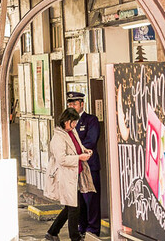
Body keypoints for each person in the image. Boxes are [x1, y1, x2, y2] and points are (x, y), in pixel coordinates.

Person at [44, 108, 96, 241]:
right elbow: (61, 159)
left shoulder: (72, 132)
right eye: (73, 123)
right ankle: (75, 237)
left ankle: (52, 232)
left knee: (70, 207)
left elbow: (77, 146)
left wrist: (85, 150)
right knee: (74, 208)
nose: (75, 125)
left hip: (75, 174)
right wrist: (79, 158)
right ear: (66, 121)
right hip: (65, 176)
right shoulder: (58, 137)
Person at [67, 91, 101, 238]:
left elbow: (91, 141)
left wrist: (75, 152)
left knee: (91, 200)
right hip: (75, 166)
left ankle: (93, 229)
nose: (72, 107)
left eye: (74, 104)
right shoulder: (67, 123)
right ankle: (82, 227)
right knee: (78, 200)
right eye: (69, 104)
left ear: (82, 104)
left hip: (89, 165)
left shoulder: (91, 120)